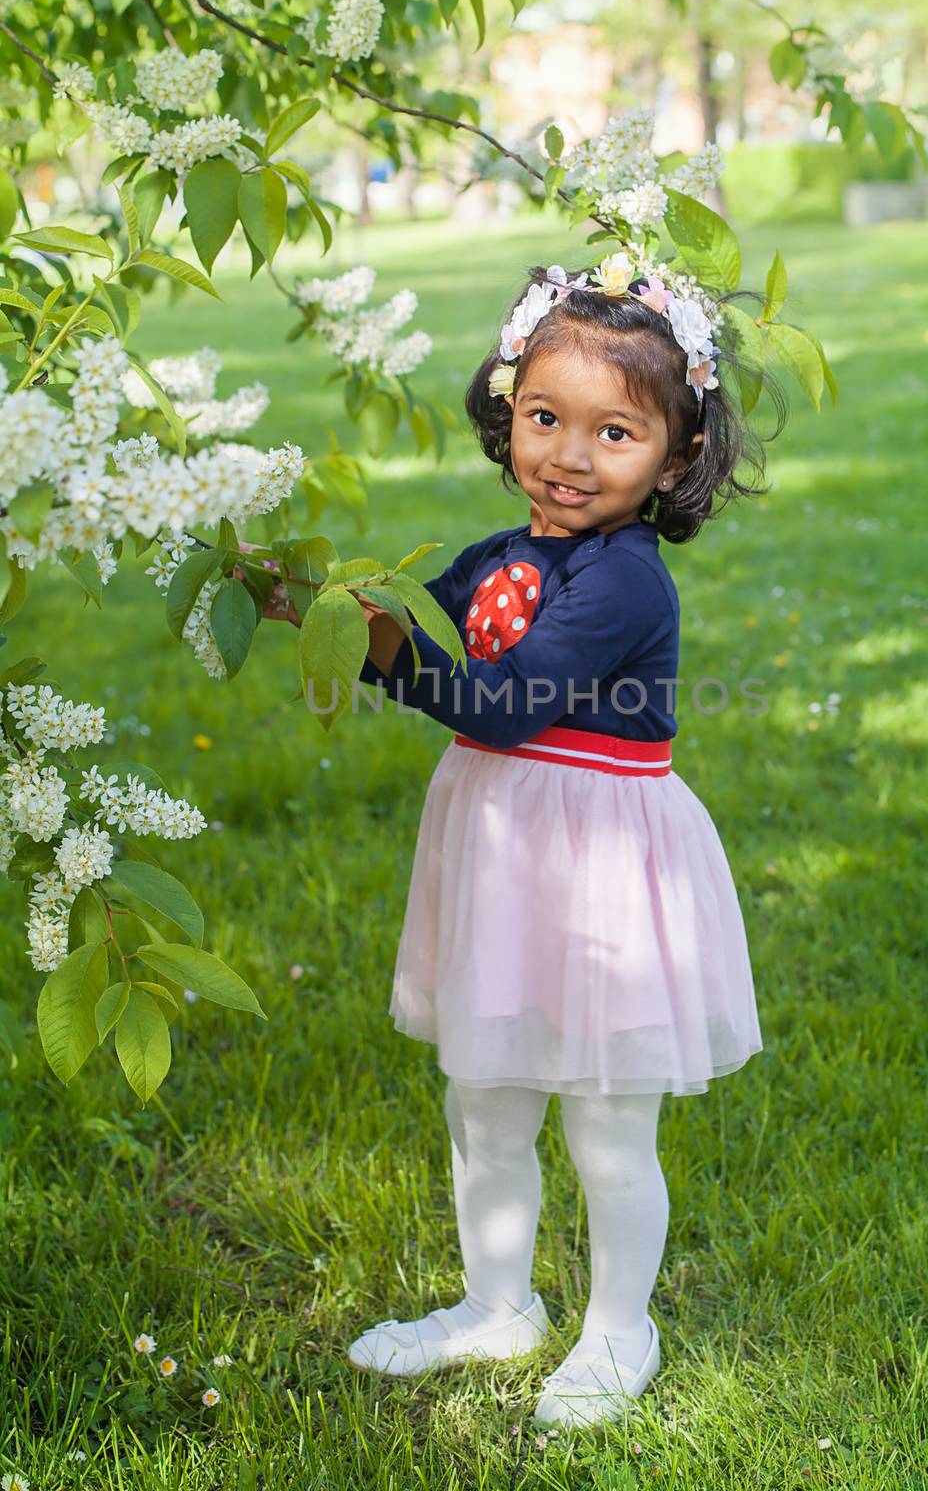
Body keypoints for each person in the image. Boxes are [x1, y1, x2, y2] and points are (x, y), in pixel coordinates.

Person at [262, 254, 787, 1427]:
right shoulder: (501, 554)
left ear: (674, 457)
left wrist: (384, 650)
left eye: (614, 433)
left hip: (596, 866)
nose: (567, 453)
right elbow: (418, 628)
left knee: (605, 1116)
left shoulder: (625, 583)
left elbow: (494, 699)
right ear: (507, 413)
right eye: (545, 418)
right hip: (502, 852)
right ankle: (497, 1303)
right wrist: (315, 607)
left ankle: (618, 1329)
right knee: (483, 1095)